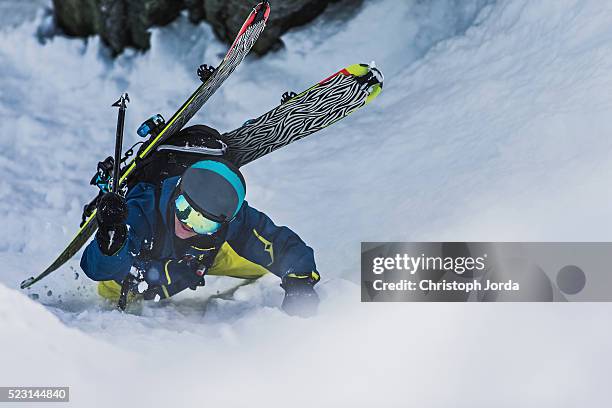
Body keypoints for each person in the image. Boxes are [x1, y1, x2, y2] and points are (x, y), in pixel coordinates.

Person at [80, 125, 320, 317]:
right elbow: (97, 268)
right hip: (136, 270)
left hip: (199, 260)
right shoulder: (141, 208)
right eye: (184, 210)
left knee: (263, 268)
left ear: (222, 223)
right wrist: (109, 241)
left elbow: (276, 242)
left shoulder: (230, 216)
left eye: (203, 223)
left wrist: (299, 280)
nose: (187, 224)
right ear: (176, 193)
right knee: (110, 291)